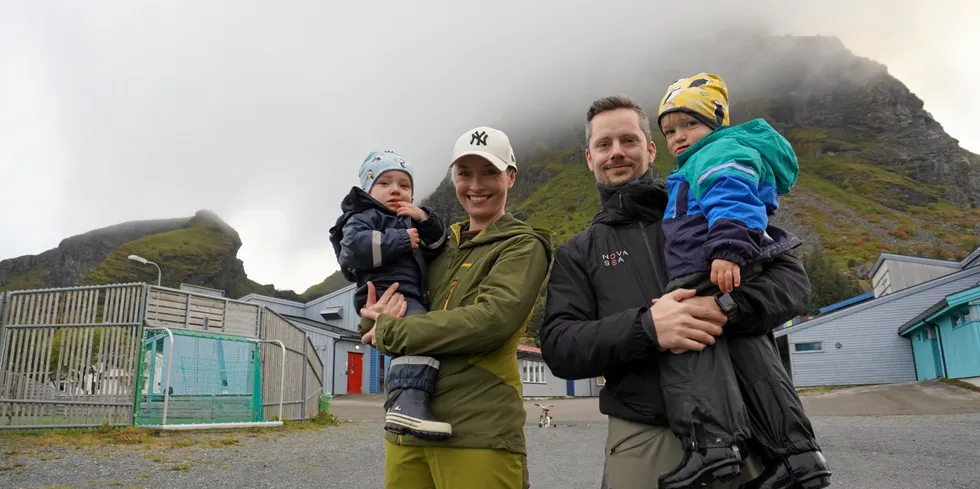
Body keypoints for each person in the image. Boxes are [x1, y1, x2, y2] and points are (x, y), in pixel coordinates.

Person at [537, 94, 813, 489]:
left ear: (651, 150)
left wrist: (723, 308)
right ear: (589, 157)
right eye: (604, 144)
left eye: (629, 141)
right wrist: (648, 328)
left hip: (745, 428)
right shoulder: (578, 252)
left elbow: (792, 283)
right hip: (642, 435)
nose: (617, 152)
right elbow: (560, 346)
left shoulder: (709, 203)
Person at [654, 73, 830, 489]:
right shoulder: (709, 154)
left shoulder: (718, 152)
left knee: (686, 339)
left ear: (716, 125)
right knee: (753, 355)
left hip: (709, 264)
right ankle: (798, 457)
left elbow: (732, 195)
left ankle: (713, 446)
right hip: (718, 263)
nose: (679, 137)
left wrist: (727, 249)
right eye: (669, 131)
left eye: (689, 125)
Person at [356, 126, 555, 489]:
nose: (476, 185)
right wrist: (370, 319)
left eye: (490, 172)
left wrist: (390, 330)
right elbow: (385, 303)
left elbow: (491, 320)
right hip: (405, 431)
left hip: (478, 432)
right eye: (465, 174)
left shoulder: (523, 246)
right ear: (454, 179)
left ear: (510, 176)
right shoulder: (435, 246)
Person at [328, 150, 452, 440]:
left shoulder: (409, 220)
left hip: (410, 295)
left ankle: (411, 404)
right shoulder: (364, 215)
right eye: (385, 183)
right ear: (368, 190)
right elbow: (353, 250)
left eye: (404, 185)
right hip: (385, 293)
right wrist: (399, 239)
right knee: (419, 338)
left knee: (417, 342)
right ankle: (407, 406)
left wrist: (423, 217)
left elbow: (438, 246)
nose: (396, 189)